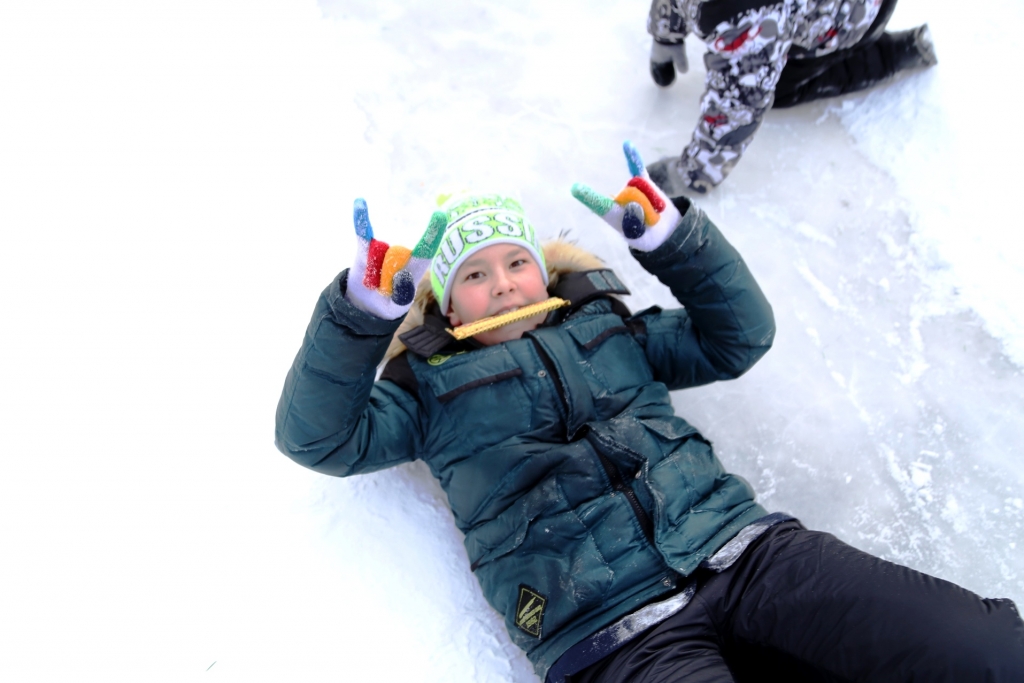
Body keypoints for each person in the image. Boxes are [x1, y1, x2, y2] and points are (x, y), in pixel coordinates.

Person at [274, 142, 1023, 682]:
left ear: (543, 269)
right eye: (474, 273)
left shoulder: (611, 328)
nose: (502, 282)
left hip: (746, 555)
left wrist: (676, 242)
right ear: (442, 298)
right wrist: (360, 314)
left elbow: (739, 338)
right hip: (610, 633)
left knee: (982, 648)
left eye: (515, 261)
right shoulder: (426, 390)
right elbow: (318, 437)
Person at [645, 0, 937, 195]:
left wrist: (693, 174)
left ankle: (897, 52)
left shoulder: (750, 14)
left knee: (780, 87)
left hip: (851, 14)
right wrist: (665, 32)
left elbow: (739, 103)